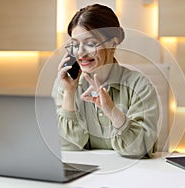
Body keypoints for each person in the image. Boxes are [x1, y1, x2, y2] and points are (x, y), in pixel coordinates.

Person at [54, 4, 159, 158]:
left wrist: (112, 111)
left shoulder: (139, 85)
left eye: (90, 44)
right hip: (84, 175)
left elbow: (139, 149)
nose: (81, 53)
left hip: (132, 176)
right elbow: (67, 148)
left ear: (113, 43)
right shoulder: (65, 84)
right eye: (75, 45)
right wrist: (69, 93)